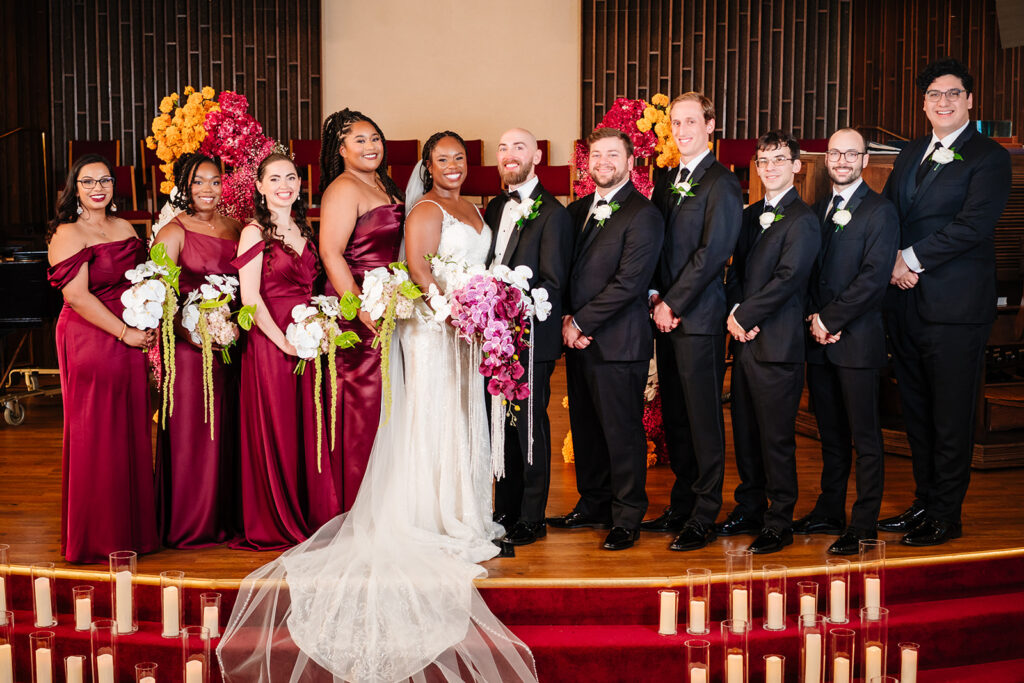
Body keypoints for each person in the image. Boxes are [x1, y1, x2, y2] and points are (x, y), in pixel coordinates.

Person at [218, 133, 536, 682]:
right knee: (430, 419)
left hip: (465, 332)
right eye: (442, 158)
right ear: (427, 167)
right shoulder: (413, 206)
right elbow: (415, 266)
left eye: (461, 158)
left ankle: (463, 511)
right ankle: (430, 514)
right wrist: (446, 310)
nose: (453, 166)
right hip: (434, 330)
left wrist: (484, 309)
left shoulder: (475, 207)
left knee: (461, 422)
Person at [880, 58, 1011, 546]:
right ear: (924, 103)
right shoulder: (912, 151)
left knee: (951, 414)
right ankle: (923, 501)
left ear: (970, 100)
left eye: (953, 94)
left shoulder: (989, 157)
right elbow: (891, 211)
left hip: (956, 309)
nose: (943, 102)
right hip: (906, 304)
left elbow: (974, 225)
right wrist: (889, 259)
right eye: (935, 95)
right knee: (916, 411)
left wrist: (909, 259)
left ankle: (946, 514)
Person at [547, 127, 663, 551]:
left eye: (613, 155)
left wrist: (580, 324)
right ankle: (593, 502)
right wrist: (563, 319)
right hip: (577, 341)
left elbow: (629, 283)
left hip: (618, 342)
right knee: (587, 428)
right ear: (586, 163)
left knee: (622, 431)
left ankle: (627, 515)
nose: (603, 162)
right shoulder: (576, 212)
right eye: (596, 155)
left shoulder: (644, 214)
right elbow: (561, 272)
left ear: (631, 162)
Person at [46, 154, 159, 563]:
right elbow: (76, 296)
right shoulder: (68, 233)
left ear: (114, 186)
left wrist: (146, 318)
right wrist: (126, 332)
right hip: (92, 335)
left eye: (105, 180)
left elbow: (142, 280)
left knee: (130, 425)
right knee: (97, 430)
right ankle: (97, 537)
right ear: (74, 189)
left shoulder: (125, 226)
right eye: (88, 181)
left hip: (129, 335)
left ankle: (133, 533)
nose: (98, 187)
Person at [642, 92, 742, 551]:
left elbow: (712, 254)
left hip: (697, 318)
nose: (682, 131)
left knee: (702, 418)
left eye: (690, 123)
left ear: (710, 125)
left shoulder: (722, 183)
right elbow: (659, 245)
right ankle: (681, 504)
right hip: (664, 312)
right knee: (677, 417)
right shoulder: (666, 179)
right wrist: (654, 295)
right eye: (676, 124)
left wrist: (674, 303)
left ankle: (705, 513)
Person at [800, 128, 898, 555]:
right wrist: (814, 320)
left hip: (856, 341)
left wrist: (831, 318)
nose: (841, 160)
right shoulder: (818, 209)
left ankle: (863, 523)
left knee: (865, 437)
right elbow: (807, 271)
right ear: (826, 160)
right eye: (835, 153)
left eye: (850, 154)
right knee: (831, 434)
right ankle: (829, 510)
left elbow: (874, 279)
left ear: (864, 160)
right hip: (819, 341)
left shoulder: (880, 211)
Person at [230, 152, 335, 550]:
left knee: (306, 429)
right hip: (271, 344)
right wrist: (283, 342)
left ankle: (309, 513)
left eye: (290, 177)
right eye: (274, 179)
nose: (284, 186)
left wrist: (319, 328)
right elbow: (251, 298)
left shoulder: (305, 231)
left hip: (308, 344)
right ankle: (277, 516)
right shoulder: (253, 232)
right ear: (259, 186)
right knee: (277, 428)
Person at [721, 131, 819, 555]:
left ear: (796, 165)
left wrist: (746, 316)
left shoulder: (804, 219)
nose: (771, 167)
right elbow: (735, 271)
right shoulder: (748, 215)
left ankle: (780, 520)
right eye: (763, 161)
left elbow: (788, 279)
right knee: (744, 431)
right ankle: (750, 506)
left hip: (778, 343)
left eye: (780, 159)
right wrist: (735, 312)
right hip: (744, 341)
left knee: (776, 438)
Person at [484, 127, 574, 546]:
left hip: (530, 339)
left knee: (530, 427)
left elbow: (554, 284)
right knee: (501, 424)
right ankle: (505, 505)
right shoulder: (493, 207)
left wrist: (515, 315)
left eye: (518, 147)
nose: (509, 154)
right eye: (503, 148)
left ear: (536, 156)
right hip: (494, 340)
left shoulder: (553, 214)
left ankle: (532, 516)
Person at [154, 152, 242, 548]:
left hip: (232, 345)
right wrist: (189, 329)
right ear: (184, 188)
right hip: (191, 352)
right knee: (196, 432)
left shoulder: (237, 228)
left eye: (215, 181)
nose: (208, 189)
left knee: (229, 430)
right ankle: (191, 523)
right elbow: (159, 296)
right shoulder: (172, 233)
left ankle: (228, 516)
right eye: (198, 182)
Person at [318, 109, 404, 511]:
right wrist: (357, 307)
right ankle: (356, 503)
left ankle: (386, 499)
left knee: (387, 404)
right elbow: (331, 252)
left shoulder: (384, 184)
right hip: (357, 307)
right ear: (341, 149)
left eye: (375, 138)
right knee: (363, 405)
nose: (371, 146)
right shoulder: (343, 188)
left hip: (387, 303)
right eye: (360, 140)